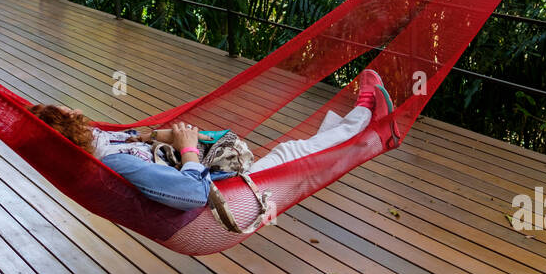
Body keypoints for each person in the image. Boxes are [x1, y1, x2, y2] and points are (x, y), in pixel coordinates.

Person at [28, 69, 393, 213]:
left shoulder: (99, 142)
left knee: (295, 155)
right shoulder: (110, 163)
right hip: (220, 205)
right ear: (66, 134)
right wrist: (188, 148)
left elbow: (137, 140)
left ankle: (367, 128)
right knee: (292, 154)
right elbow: (191, 194)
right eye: (72, 117)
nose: (80, 115)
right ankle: (366, 120)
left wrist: (164, 135)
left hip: (219, 181)